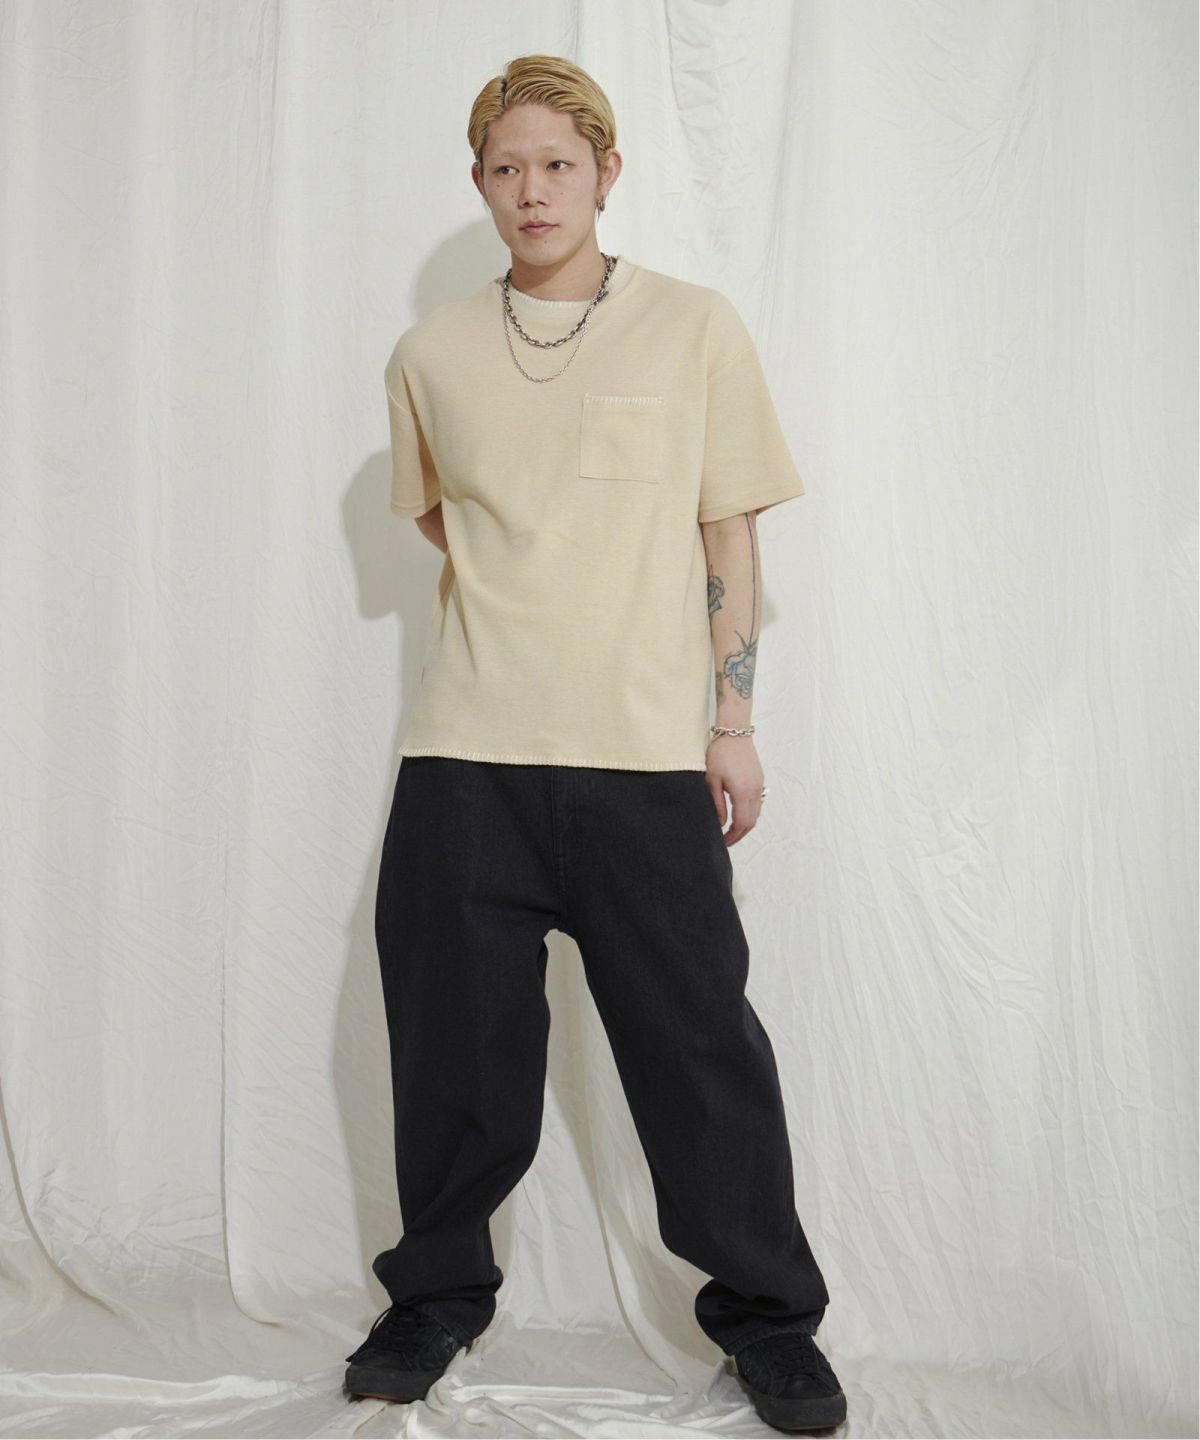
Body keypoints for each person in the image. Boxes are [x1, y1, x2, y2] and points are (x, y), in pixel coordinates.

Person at [343, 53, 847, 1436]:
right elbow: (448, 520)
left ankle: (769, 1321)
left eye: (558, 164)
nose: (534, 190)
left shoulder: (693, 328)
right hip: (467, 757)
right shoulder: (430, 355)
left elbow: (728, 535)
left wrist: (732, 720)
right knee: (452, 1061)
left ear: (607, 173)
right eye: (507, 168)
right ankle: (435, 1301)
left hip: (643, 762)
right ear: (479, 182)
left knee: (701, 1059)